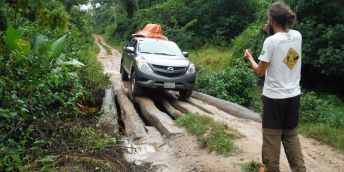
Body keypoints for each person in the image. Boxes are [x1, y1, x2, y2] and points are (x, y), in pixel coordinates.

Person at [244, 1, 306, 172]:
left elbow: (260, 72)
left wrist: (249, 57)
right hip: (293, 97)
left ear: (271, 19)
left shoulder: (270, 42)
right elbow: (282, 50)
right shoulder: (297, 36)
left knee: (271, 139)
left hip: (274, 99)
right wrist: (270, 33)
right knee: (291, 136)